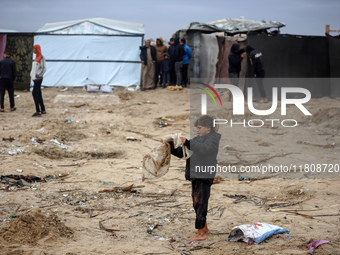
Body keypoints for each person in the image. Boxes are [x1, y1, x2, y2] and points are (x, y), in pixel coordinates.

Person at [169, 115, 221, 242]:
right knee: (196, 202)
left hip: (203, 175)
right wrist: (171, 147)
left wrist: (187, 142)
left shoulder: (213, 139)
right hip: (196, 175)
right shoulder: (198, 139)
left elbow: (203, 149)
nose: (197, 130)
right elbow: (186, 153)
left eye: (200, 128)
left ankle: (200, 234)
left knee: (201, 203)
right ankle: (204, 228)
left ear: (208, 128)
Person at [30, 44, 46, 117]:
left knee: (34, 93)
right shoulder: (37, 57)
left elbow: (43, 69)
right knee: (38, 93)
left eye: (34, 49)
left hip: (38, 79)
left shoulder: (41, 57)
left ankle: (38, 111)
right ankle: (43, 109)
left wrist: (38, 75)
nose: (33, 50)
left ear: (36, 49)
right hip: (35, 78)